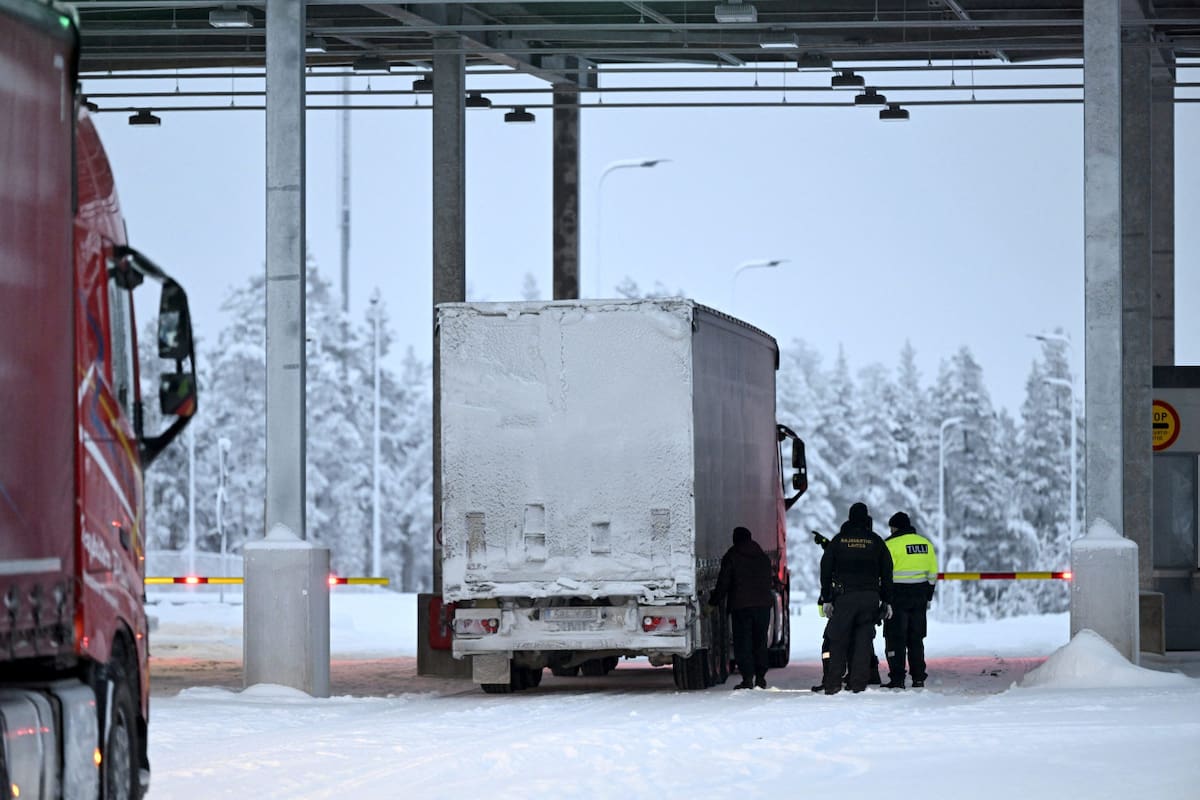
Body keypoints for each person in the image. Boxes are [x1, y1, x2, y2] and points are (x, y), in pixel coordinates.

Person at [819, 502, 893, 694]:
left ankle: (833, 682)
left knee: (838, 638)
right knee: (863, 641)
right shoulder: (876, 541)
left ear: (850, 517)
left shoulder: (839, 541)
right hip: (870, 598)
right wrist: (886, 600)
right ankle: (858, 684)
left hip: (845, 598)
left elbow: (825, 569)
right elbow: (887, 572)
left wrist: (827, 597)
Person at [810, 531, 882, 692]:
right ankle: (862, 678)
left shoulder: (841, 547)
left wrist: (828, 598)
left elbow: (832, 559)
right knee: (862, 642)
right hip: (866, 602)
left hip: (843, 603)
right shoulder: (872, 547)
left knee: (832, 641)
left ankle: (831, 679)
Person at [711, 526, 774, 689]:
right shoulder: (763, 557)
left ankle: (747, 679)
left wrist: (714, 601)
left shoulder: (732, 556)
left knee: (743, 643)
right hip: (763, 606)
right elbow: (770, 581)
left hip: (742, 607)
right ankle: (761, 677)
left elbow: (723, 582)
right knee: (760, 641)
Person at [882, 511, 939, 689]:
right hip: (919, 595)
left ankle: (897, 679)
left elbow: (884, 574)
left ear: (894, 527)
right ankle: (918, 677)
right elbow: (933, 574)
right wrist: (928, 595)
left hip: (897, 595)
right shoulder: (925, 544)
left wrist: (884, 599)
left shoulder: (890, 545)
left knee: (895, 637)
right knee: (916, 638)